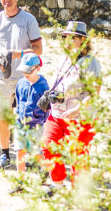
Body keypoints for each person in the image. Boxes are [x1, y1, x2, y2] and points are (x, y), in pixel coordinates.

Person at [0, 0, 43, 170]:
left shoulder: (28, 20)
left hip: (26, 78)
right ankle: (5, 155)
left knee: (30, 117)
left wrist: (19, 54)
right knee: (2, 117)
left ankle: (31, 155)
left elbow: (38, 50)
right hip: (2, 77)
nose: (6, 0)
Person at [38, 21, 103, 187]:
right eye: (65, 36)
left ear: (82, 40)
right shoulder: (64, 59)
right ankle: (58, 183)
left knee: (78, 157)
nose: (67, 40)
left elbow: (94, 93)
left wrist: (77, 109)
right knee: (47, 146)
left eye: (72, 37)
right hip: (58, 113)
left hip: (80, 119)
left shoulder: (90, 63)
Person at [12, 52, 49, 177]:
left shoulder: (43, 86)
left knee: (36, 152)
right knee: (19, 151)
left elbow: (47, 108)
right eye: (23, 71)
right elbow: (18, 100)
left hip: (35, 126)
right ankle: (20, 180)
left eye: (28, 71)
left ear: (37, 68)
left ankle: (44, 171)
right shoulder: (21, 83)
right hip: (20, 124)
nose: (25, 74)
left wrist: (39, 119)